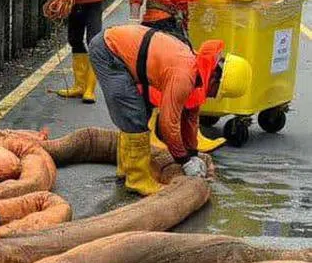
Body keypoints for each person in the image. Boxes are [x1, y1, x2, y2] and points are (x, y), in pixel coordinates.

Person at [87, 24, 251, 196]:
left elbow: (189, 118)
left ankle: (126, 169)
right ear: (216, 79)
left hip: (124, 51)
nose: (214, 95)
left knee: (140, 112)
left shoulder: (200, 70)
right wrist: (184, 160)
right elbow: (168, 125)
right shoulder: (184, 76)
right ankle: (137, 180)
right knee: (134, 116)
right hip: (109, 51)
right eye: (218, 91)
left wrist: (193, 152)